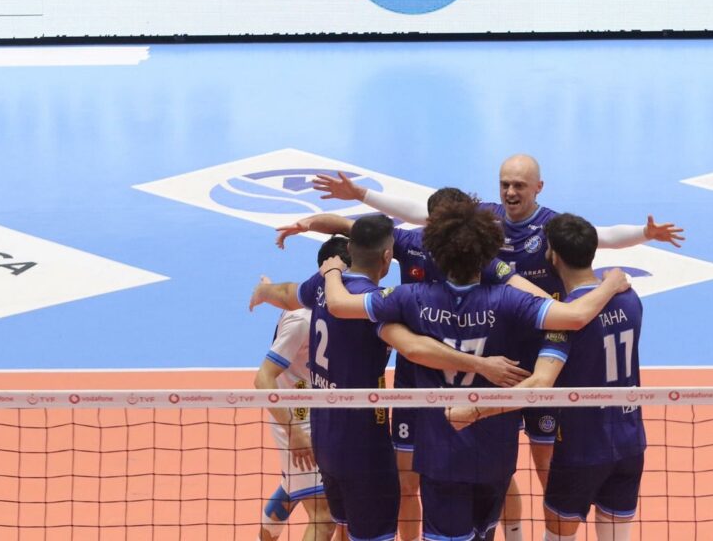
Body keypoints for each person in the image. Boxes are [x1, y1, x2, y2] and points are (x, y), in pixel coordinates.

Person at [312, 155, 679, 510]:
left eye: (518, 185)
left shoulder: (550, 226)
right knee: (485, 464)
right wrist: (359, 195)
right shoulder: (483, 219)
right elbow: (420, 215)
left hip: (539, 352)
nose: (510, 192)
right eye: (504, 185)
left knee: (541, 462)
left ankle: (550, 521)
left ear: (538, 187)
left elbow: (601, 237)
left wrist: (644, 234)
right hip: (498, 347)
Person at [275, 187, 546, 541]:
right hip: (415, 382)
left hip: (473, 386)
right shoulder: (412, 246)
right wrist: (308, 223)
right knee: (408, 482)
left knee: (494, 476)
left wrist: (330, 273)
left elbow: (533, 295)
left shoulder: (481, 262)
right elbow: (347, 226)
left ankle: (512, 534)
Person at [447, 214, 646, 541]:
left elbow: (539, 384)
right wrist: (609, 283)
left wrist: (476, 410)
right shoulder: (631, 300)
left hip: (582, 450)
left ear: (552, 256)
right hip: (631, 445)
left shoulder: (563, 321)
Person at [253, 237, 350, 541]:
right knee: (324, 517)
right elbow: (263, 379)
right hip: (297, 419)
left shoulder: (332, 303)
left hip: (324, 413)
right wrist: (294, 431)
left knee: (294, 486)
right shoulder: (301, 318)